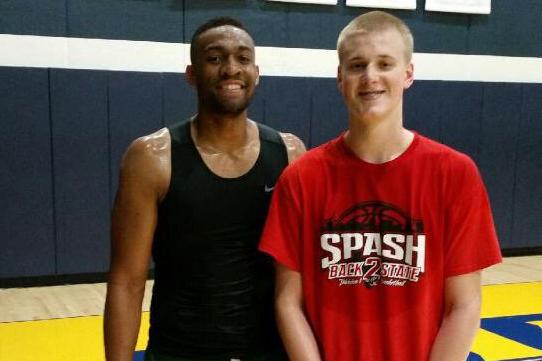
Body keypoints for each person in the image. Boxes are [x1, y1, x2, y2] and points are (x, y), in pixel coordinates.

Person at [259, 10, 502, 361]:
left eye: (384, 63)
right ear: (340, 77)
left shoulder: (455, 173)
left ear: (408, 74)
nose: (370, 76)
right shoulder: (301, 178)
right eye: (357, 66)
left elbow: (464, 304)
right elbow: (287, 301)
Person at [104, 17, 306, 361]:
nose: (231, 68)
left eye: (243, 59)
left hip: (268, 350)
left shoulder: (290, 153)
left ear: (256, 73)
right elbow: (127, 281)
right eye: (215, 58)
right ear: (191, 74)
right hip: (180, 351)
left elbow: (301, 277)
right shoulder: (152, 158)